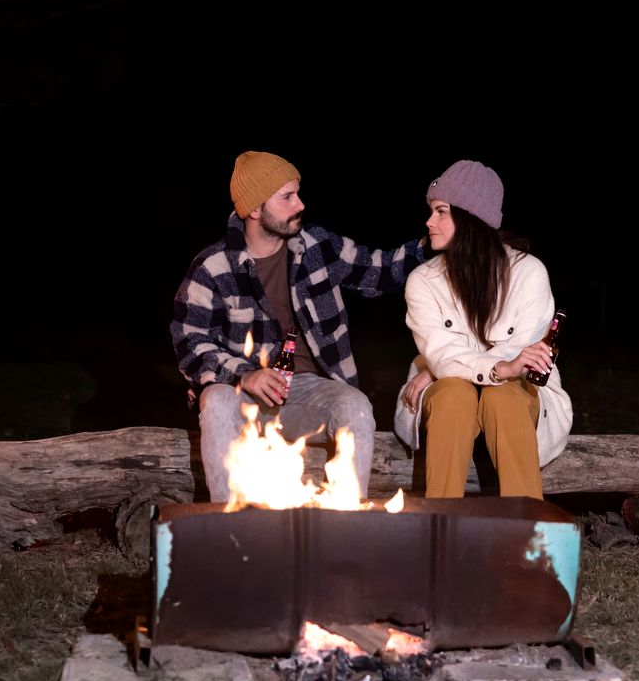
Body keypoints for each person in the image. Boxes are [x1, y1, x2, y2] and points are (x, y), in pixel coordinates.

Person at [172, 150, 425, 502]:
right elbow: (191, 344)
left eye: (298, 193)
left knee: (356, 407)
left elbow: (381, 270)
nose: (300, 204)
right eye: (287, 197)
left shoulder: (316, 247)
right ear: (256, 209)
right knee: (214, 400)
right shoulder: (213, 267)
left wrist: (437, 241)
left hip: (307, 392)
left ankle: (347, 523)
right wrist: (246, 375)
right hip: (241, 397)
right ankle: (227, 530)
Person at [393, 160, 573, 499]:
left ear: (470, 217)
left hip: (516, 394)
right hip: (450, 391)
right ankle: (441, 529)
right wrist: (442, 368)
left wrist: (442, 368)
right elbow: (441, 351)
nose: (429, 221)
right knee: (452, 396)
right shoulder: (423, 282)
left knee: (503, 394)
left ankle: (527, 534)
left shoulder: (528, 273)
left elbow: (523, 352)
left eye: (441, 211)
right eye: (431, 211)